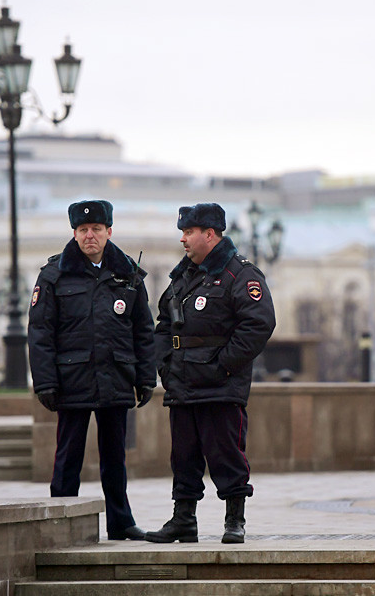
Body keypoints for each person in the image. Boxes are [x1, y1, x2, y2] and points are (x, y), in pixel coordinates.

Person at [146, 202, 276, 544]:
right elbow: (162, 322)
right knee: (183, 457)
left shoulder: (240, 274)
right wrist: (165, 364)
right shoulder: (183, 275)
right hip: (182, 383)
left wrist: (223, 365)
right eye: (182, 233)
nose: (183, 240)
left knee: (226, 453)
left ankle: (235, 520)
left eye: (189, 233)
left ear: (210, 234)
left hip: (220, 386)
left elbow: (259, 324)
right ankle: (183, 519)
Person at [27, 199, 156, 541]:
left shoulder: (127, 273)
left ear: (109, 231)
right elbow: (39, 333)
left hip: (115, 377)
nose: (90, 236)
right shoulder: (54, 275)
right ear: (74, 233)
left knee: (115, 458)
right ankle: (59, 522)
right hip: (72, 381)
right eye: (83, 230)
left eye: (96, 229)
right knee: (68, 456)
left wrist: (146, 377)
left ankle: (121, 522)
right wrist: (45, 383)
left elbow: (143, 329)